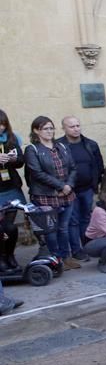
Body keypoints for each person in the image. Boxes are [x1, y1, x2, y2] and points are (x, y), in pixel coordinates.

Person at [24, 115, 77, 265]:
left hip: (66, 195)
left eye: (51, 128)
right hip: (45, 196)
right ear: (36, 131)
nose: (49, 131)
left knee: (63, 228)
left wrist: (69, 186)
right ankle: (55, 259)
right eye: (45, 129)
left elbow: (73, 168)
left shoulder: (62, 146)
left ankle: (66, 257)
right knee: (50, 231)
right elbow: (37, 173)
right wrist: (61, 186)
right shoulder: (32, 150)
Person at [58, 116, 104, 264]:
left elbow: (98, 165)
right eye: (72, 126)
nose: (76, 128)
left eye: (78, 125)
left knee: (86, 218)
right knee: (73, 221)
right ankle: (76, 250)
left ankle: (87, 246)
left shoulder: (90, 144)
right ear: (64, 128)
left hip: (87, 189)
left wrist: (95, 184)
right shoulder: (58, 146)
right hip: (69, 190)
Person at [0, 109, 27, 273]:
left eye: (3, 124)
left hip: (10, 187)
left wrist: (14, 158)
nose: (1, 128)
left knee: (10, 227)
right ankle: (1, 258)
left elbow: (20, 162)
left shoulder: (12, 138)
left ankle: (10, 255)